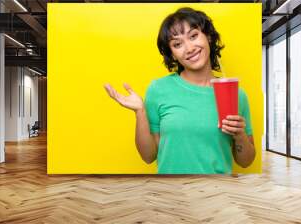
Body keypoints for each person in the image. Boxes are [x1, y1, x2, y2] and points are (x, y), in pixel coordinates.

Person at [104, 7, 255, 174]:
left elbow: (246, 162)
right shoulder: (158, 90)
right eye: (177, 44)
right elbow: (148, 156)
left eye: (193, 36)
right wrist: (140, 112)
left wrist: (239, 135)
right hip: (171, 194)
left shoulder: (237, 95)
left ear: (209, 37)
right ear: (173, 54)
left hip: (216, 193)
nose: (189, 48)